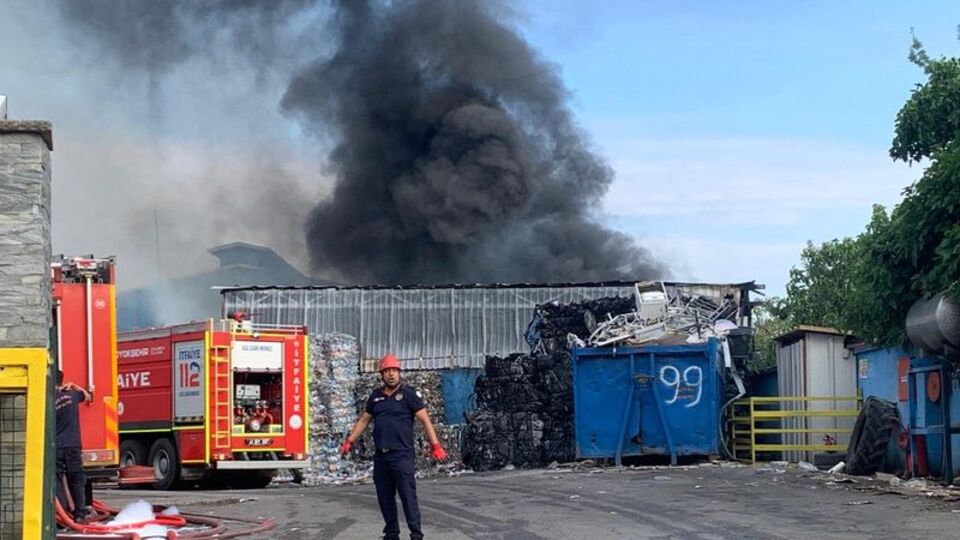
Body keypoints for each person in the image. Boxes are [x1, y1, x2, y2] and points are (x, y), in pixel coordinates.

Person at [340, 354, 448, 540]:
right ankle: (391, 534)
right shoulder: (375, 397)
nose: (391, 374)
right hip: (381, 456)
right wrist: (350, 441)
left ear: (399, 373)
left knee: (407, 496)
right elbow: (364, 420)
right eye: (387, 371)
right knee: (385, 497)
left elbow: (425, 420)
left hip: (402, 455)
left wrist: (435, 445)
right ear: (381, 374)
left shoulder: (409, 395)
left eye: (394, 371)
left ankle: (416, 534)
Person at [55, 370, 91, 523]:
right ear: (62, 382)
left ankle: (60, 515)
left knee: (56, 481)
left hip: (55, 447)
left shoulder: (46, 398)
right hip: (73, 446)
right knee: (76, 480)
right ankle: (79, 515)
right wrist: (74, 385)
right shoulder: (72, 395)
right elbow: (87, 395)